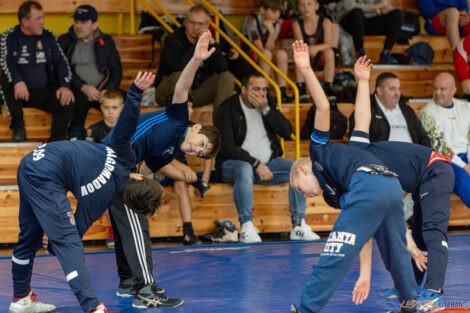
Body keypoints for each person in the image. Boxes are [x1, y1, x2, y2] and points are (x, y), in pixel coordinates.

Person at [9, 71, 163, 313]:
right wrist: (56, 241)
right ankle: (92, 307)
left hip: (31, 161)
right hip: (46, 174)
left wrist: (135, 92)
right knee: (69, 243)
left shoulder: (124, 157)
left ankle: (20, 298)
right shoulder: (101, 198)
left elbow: (126, 125)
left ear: (137, 176)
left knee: (29, 237)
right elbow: (73, 234)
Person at [289, 40, 417, 313]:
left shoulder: (318, 151)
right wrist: (366, 274)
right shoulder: (338, 189)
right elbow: (362, 233)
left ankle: (305, 309)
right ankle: (410, 305)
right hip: (390, 187)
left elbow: (324, 108)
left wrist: (306, 69)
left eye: (299, 189)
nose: (306, 195)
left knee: (334, 252)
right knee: (396, 255)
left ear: (302, 169)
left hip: (371, 183)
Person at [102, 31, 221, 308]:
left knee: (127, 224)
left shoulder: (169, 151)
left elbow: (146, 173)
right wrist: (195, 60)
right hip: (112, 158)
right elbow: (182, 87)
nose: (196, 150)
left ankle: (128, 282)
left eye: (201, 153)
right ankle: (144, 288)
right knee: (136, 224)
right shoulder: (179, 119)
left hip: (121, 166)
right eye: (200, 143)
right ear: (196, 127)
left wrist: (150, 200)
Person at [348, 59, 455, 311]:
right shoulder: (361, 172)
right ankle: (411, 287)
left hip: (435, 169)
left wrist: (362, 81)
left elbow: (361, 115)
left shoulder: (358, 150)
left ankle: (433, 291)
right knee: (417, 234)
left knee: (432, 232)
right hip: (421, 178)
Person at [214, 70, 319, 243]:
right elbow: (226, 148)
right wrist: (255, 163)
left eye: (264, 90)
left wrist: (267, 111)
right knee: (244, 167)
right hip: (234, 166)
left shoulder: (267, 105)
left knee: (298, 168)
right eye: (256, 89)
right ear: (244, 89)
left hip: (269, 165)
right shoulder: (227, 109)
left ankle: (298, 225)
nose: (262, 94)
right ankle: (247, 226)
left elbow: (287, 131)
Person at [139, 101, 213, 246]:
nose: (189, 110)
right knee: (163, 164)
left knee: (181, 184)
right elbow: (161, 154)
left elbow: (207, 154)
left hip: (177, 171)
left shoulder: (194, 129)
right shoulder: (170, 126)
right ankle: (197, 183)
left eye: (191, 107)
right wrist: (186, 170)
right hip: (162, 166)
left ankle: (188, 230)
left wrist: (206, 177)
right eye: (186, 107)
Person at [0, 0, 74, 142]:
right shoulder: (9, 37)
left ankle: (55, 144)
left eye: (43, 17)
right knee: (6, 78)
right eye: (38, 18)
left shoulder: (48, 36)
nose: (43, 22)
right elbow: (5, 62)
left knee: (67, 100)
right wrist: (18, 81)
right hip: (17, 95)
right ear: (25, 21)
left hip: (42, 92)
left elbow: (61, 63)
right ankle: (18, 129)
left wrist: (64, 86)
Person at [58, 4, 122, 140]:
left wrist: (107, 89)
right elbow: (63, 69)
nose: (78, 26)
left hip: (102, 90)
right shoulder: (65, 41)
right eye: (76, 21)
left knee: (127, 101)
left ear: (94, 25)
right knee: (76, 102)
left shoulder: (106, 41)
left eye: (84, 22)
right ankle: (75, 140)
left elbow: (116, 69)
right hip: (78, 89)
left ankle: (124, 139)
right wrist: (83, 87)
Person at [154, 5, 234, 110]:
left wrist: (213, 43)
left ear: (207, 26)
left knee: (227, 78)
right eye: (192, 22)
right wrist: (197, 46)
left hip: (196, 92)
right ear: (186, 22)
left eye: (200, 24)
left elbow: (223, 68)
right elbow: (179, 66)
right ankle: (180, 122)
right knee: (181, 76)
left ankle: (222, 124)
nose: (196, 27)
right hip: (167, 93)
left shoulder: (208, 41)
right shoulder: (172, 40)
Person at [420, 72, 470, 209]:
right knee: (458, 175)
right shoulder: (427, 113)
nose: (437, 92)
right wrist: (465, 167)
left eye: (442, 89)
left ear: (454, 90)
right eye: (435, 88)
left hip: (466, 157)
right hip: (444, 160)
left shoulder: (467, 108)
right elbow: (440, 147)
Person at [86, 89, 125, 249]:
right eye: (107, 107)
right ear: (101, 107)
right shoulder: (93, 130)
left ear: (122, 108)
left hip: (124, 173)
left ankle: (129, 231)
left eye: (114, 108)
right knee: (109, 190)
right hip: (101, 174)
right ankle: (112, 232)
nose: (110, 112)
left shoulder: (127, 128)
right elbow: (88, 158)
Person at [349, 72, 431, 146]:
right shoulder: (367, 110)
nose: (397, 93)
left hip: (412, 158)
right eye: (392, 89)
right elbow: (358, 141)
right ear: (379, 90)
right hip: (381, 160)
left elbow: (423, 138)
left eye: (399, 89)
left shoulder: (407, 110)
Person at [242, 0, 292, 102]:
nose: (276, 15)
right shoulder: (251, 20)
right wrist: (271, 32)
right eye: (273, 11)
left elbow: (270, 47)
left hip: (265, 53)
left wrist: (271, 32)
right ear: (262, 10)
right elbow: (259, 47)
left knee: (281, 54)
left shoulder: (276, 24)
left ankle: (282, 91)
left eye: (278, 12)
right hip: (248, 53)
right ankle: (265, 91)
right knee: (266, 54)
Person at [334, 0, 404, 63]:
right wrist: (376, 6)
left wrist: (385, 9)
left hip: (369, 23)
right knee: (357, 13)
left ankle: (385, 53)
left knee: (398, 14)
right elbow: (349, 6)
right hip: (350, 22)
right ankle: (360, 53)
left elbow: (387, 8)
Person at [293, 0, 335, 102]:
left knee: (329, 52)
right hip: (306, 56)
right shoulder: (296, 24)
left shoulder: (325, 22)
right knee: (299, 53)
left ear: (316, 6)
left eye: (309, 4)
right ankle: (301, 89)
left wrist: (316, 48)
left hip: (321, 57)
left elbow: (329, 43)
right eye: (302, 5)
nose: (306, 7)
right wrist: (308, 50)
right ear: (299, 8)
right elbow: (300, 44)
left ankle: (328, 88)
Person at [208, 0, 252, 81]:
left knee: (243, 62)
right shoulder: (202, 18)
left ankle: (242, 89)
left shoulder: (222, 16)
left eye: (218, 5)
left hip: (224, 50)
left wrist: (233, 49)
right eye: (212, 5)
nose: (215, 8)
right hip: (210, 52)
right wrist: (218, 51)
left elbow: (229, 35)